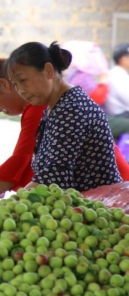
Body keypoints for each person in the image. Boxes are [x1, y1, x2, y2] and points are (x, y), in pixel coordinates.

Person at [0, 58, 129, 207]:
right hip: (99, 194)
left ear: (48, 72)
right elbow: (36, 166)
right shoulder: (51, 105)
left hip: (107, 195)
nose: (0, 109)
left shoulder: (54, 106)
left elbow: (28, 164)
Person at [6, 41, 121, 192]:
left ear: (48, 70)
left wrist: (7, 207)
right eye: (15, 84)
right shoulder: (55, 106)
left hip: (97, 205)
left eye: (23, 80)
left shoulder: (71, 109)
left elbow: (53, 178)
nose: (20, 90)